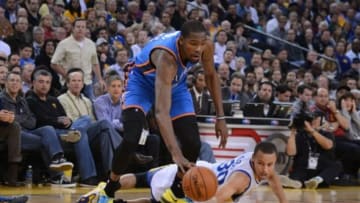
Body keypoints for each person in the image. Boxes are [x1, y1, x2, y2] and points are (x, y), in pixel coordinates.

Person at [86, 20, 228, 203]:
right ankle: (109, 188)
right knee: (131, 137)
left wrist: (221, 117)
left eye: (201, 44)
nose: (198, 49)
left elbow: (210, 76)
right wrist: (175, 153)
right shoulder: (167, 57)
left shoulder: (205, 45)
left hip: (175, 86)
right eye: (193, 44)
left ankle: (175, 193)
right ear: (181, 40)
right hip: (141, 83)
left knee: (192, 142)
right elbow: (161, 113)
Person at [78, 142, 287, 203]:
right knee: (146, 183)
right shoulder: (242, 179)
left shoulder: (256, 155)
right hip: (195, 188)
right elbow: (220, 196)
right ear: (253, 160)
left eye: (270, 165)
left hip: (195, 171)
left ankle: (105, 193)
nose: (266, 169)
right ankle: (103, 192)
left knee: (145, 179)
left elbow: (275, 180)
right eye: (261, 164)